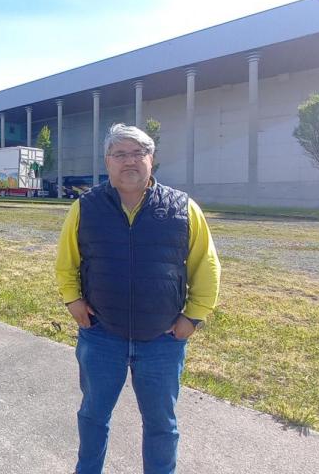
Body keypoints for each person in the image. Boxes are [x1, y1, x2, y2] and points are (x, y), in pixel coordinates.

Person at [56, 123, 221, 474]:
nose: (129, 161)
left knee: (162, 425)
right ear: (107, 161)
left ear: (152, 159)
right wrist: (72, 300)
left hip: (162, 340)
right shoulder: (85, 208)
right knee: (93, 416)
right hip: (101, 336)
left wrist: (192, 317)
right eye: (120, 154)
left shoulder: (183, 208)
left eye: (137, 153)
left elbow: (206, 267)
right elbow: (66, 263)